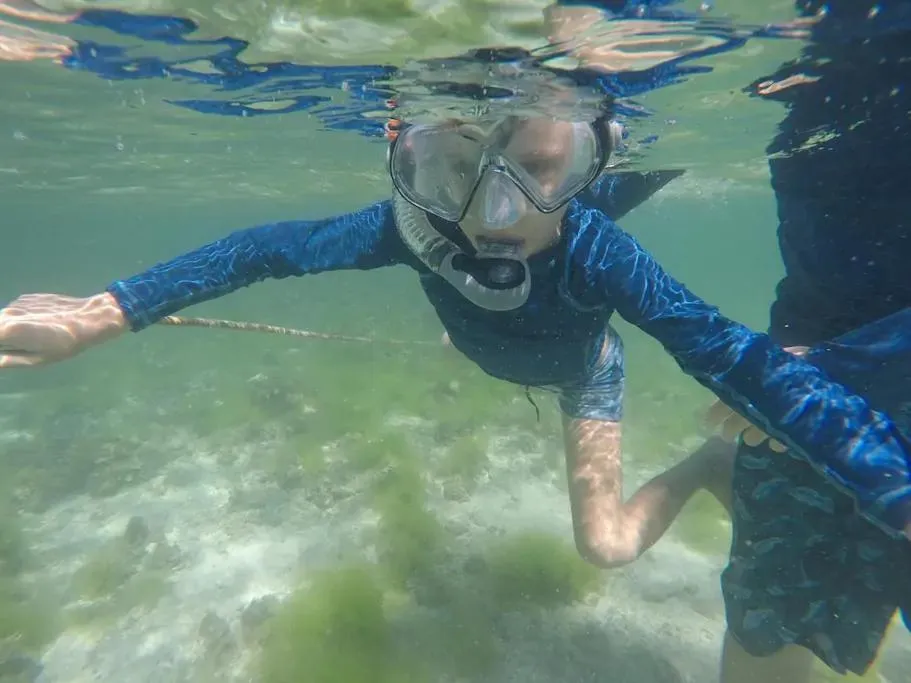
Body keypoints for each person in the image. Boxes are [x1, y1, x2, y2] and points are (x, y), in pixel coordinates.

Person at [2, 48, 910, 580]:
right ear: (398, 152)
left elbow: (730, 354)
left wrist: (892, 486)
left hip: (579, 372)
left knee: (607, 549)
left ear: (593, 164)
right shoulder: (407, 229)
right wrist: (102, 314)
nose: (495, 217)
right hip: (489, 344)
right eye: (449, 172)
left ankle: (707, 463)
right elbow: (256, 251)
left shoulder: (597, 250)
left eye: (543, 174)